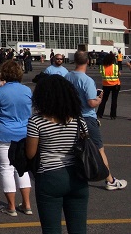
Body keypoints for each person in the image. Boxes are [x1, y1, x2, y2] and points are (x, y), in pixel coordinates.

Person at [26, 74, 89, 234]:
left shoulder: (37, 121)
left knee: (51, 228)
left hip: (49, 176)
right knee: (78, 228)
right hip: (78, 176)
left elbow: (31, 153)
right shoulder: (79, 121)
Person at [65, 51, 126, 191]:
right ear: (88, 61)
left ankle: (75, 176)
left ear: (75, 61)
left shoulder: (67, 76)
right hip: (86, 117)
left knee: (74, 148)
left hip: (71, 116)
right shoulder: (87, 80)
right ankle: (109, 180)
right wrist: (99, 99)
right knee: (99, 149)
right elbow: (91, 103)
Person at [0, 60, 33, 218]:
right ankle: (27, 204)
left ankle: (11, 206)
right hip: (23, 132)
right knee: (22, 168)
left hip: (4, 133)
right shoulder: (27, 90)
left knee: (6, 168)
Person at [97, 53, 121, 120]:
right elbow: (118, 74)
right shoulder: (115, 66)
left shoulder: (102, 67)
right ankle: (113, 115)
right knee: (114, 100)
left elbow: (101, 73)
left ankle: (99, 113)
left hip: (106, 85)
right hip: (116, 84)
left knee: (104, 100)